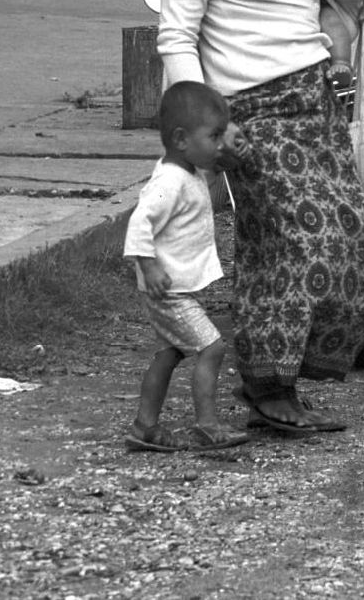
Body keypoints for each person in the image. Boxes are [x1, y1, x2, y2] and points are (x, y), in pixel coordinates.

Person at [157, 0, 364, 433]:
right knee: (289, 245)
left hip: (313, 95)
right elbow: (176, 35)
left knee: (356, 243)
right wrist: (194, 134)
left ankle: (294, 368)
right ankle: (267, 384)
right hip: (250, 111)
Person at [123, 81, 250, 453]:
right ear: (181, 139)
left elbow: (214, 165)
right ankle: (208, 425)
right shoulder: (168, 182)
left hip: (173, 287)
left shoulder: (189, 170)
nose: (220, 143)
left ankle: (145, 426)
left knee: (170, 352)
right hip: (168, 290)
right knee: (211, 348)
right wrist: (148, 266)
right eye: (213, 136)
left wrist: (223, 156)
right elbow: (139, 222)